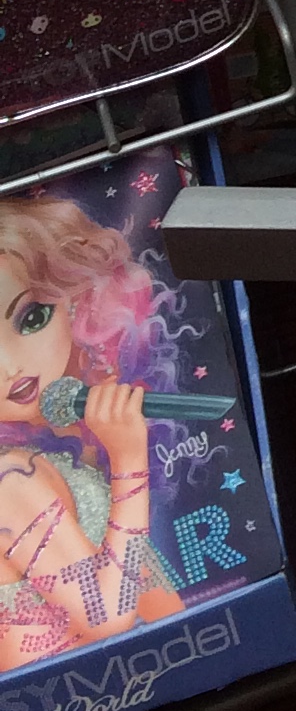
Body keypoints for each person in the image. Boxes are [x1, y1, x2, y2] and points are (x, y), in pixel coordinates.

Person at [0, 190, 181, 667]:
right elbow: (106, 616)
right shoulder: (10, 480)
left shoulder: (54, 451)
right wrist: (128, 460)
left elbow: (151, 593)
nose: (8, 366)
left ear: (75, 304)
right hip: (76, 692)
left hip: (134, 675)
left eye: (31, 317)